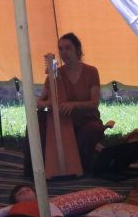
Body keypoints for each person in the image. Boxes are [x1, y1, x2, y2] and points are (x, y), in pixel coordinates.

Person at [27, 32, 105, 173]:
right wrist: (48, 103)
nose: (64, 52)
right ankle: (35, 168)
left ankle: (81, 168)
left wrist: (74, 104)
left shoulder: (91, 72)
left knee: (91, 130)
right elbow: (39, 102)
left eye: (68, 48)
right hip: (62, 120)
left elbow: (94, 103)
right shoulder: (54, 74)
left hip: (86, 119)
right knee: (36, 122)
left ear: (77, 50)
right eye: (61, 49)